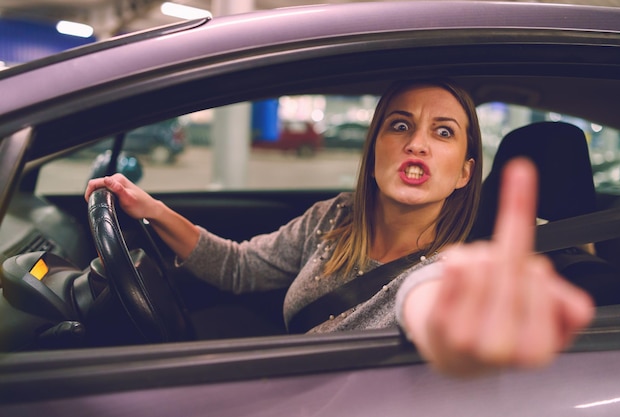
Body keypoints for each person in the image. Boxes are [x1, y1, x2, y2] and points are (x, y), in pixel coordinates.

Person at [85, 79, 593, 377]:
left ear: (464, 171)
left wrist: (447, 314)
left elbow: (433, 298)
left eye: (443, 132)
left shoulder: (467, 260)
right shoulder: (336, 217)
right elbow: (240, 267)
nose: (417, 143)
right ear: (375, 148)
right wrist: (150, 208)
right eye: (400, 125)